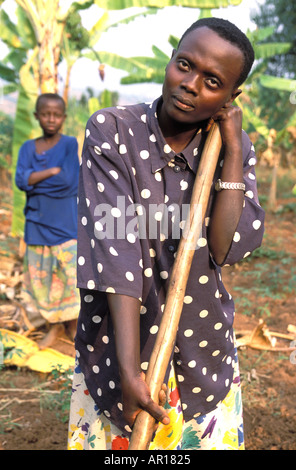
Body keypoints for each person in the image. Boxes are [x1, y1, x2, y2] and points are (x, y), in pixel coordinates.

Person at [68, 18, 265, 450]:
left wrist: (231, 150)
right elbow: (116, 253)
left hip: (202, 349)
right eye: (184, 65)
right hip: (120, 347)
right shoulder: (113, 132)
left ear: (231, 98)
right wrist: (129, 370)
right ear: (171, 60)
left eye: (212, 81)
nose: (190, 84)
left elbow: (225, 248)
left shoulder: (233, 146)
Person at [15, 93, 80, 349]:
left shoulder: (68, 144)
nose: (50, 119)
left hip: (65, 224)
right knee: (43, 280)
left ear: (63, 118)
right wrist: (52, 171)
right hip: (37, 225)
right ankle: (54, 327)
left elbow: (69, 183)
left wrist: (34, 179)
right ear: (36, 116)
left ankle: (73, 325)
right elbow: (20, 182)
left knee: (69, 278)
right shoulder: (27, 148)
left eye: (56, 114)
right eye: (45, 114)